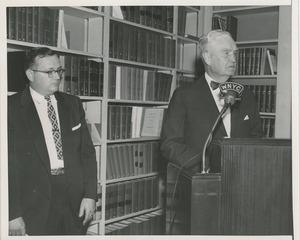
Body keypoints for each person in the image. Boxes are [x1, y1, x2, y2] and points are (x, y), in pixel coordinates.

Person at [8, 47, 97, 235]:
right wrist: (12, 214)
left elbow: (87, 153)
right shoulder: (10, 108)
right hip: (34, 203)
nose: (57, 77)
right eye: (49, 72)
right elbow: (6, 166)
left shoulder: (73, 104)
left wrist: (90, 195)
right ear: (30, 74)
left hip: (74, 199)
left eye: (59, 70)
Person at [160, 30, 263, 173]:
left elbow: (256, 138)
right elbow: (170, 144)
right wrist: (205, 166)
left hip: (241, 179)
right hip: (201, 181)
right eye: (226, 53)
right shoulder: (184, 96)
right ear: (207, 58)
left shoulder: (246, 95)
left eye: (234, 53)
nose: (233, 59)